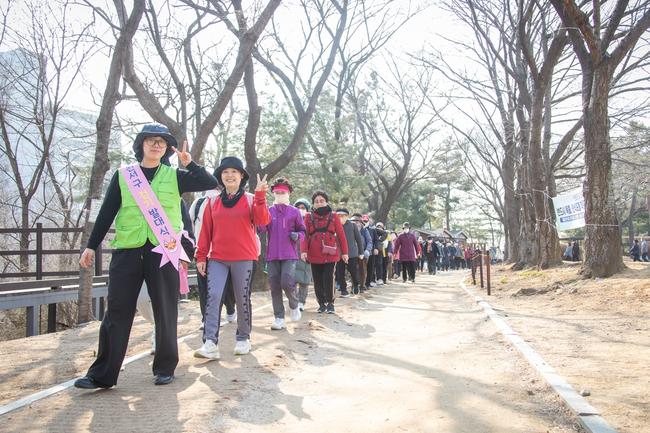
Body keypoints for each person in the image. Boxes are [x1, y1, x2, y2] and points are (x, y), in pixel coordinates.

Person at [75, 124, 218, 389]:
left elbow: (210, 183)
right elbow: (107, 211)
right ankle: (102, 375)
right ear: (141, 144)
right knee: (116, 310)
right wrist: (91, 245)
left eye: (162, 142)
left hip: (163, 250)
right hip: (127, 250)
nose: (156, 145)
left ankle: (165, 368)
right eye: (151, 140)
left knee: (165, 309)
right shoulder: (124, 176)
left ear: (167, 149)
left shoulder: (176, 176)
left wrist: (190, 163)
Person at [193, 157, 271, 360]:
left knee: (241, 297)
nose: (229, 175)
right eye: (225, 172)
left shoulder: (251, 199)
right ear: (220, 177)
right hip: (217, 258)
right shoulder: (212, 202)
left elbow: (263, 220)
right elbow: (205, 232)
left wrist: (261, 195)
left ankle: (243, 338)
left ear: (241, 176)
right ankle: (210, 343)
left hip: (244, 257)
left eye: (234, 172)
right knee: (213, 296)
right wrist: (201, 256)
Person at [136, 200, 197, 355]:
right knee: (141, 299)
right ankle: (157, 323)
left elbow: (187, 229)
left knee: (163, 299)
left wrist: (185, 255)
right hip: (137, 254)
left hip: (166, 255)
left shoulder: (176, 199)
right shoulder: (138, 194)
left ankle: (160, 332)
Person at [259, 178, 306, 330]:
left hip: (289, 255)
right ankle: (279, 318)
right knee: (274, 286)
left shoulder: (294, 212)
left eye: (283, 192)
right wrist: (259, 219)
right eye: (277, 192)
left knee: (286, 281)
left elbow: (303, 231)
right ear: (273, 194)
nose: (280, 194)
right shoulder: (269, 211)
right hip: (272, 255)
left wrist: (297, 235)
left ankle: (294, 304)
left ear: (288, 193)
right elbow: (261, 228)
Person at [189, 188, 237, 327]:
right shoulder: (200, 202)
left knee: (207, 286)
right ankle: (221, 314)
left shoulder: (199, 203)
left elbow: (189, 227)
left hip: (208, 251)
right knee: (225, 284)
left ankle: (211, 317)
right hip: (215, 250)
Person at [301, 191, 348, 314]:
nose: (319, 203)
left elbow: (341, 235)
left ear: (326, 202)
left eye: (322, 201)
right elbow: (304, 235)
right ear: (313, 204)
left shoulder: (334, 216)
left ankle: (330, 303)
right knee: (317, 279)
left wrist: (345, 253)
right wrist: (303, 251)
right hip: (314, 253)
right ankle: (321, 303)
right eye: (316, 201)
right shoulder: (308, 217)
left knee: (329, 277)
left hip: (330, 253)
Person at [335, 209, 364, 296]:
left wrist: (361, 252)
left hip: (351, 253)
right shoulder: (334, 225)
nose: (341, 217)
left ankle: (356, 285)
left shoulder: (352, 225)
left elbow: (358, 239)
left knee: (353, 271)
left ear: (347, 216)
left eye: (343, 215)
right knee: (340, 273)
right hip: (339, 254)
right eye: (339, 216)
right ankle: (343, 290)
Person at [351, 213, 372, 292]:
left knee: (362, 270)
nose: (356, 223)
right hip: (352, 253)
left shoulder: (364, 230)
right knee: (353, 270)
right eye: (354, 221)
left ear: (360, 222)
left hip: (362, 253)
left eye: (357, 221)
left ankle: (362, 286)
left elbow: (369, 241)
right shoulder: (350, 230)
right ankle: (354, 286)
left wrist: (367, 250)